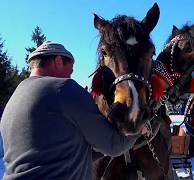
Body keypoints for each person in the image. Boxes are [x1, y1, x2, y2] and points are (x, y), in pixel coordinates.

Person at [0, 41, 144, 180]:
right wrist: (138, 130)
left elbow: (59, 153)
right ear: (57, 61)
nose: (71, 75)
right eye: (70, 70)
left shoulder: (15, 99)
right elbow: (114, 145)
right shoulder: (63, 88)